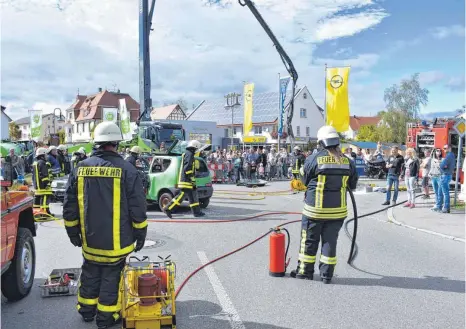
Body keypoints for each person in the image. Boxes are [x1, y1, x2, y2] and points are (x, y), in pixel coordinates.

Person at [62, 122, 147, 329]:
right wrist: (141, 232)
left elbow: (69, 204)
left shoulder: (80, 168)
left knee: (90, 271)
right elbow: (137, 206)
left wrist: (72, 231)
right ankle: (106, 317)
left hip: (90, 240)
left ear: (97, 142)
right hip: (117, 242)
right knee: (111, 276)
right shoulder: (127, 170)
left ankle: (86, 310)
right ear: (116, 142)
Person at [290, 125, 358, 284]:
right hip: (337, 212)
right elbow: (352, 185)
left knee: (309, 241)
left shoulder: (314, 159)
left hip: (315, 211)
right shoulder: (348, 161)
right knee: (330, 242)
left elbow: (304, 181)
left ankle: (304, 272)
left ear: (321, 142)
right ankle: (326, 275)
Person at [163, 140, 205, 218]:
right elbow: (187, 168)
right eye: (197, 149)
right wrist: (192, 179)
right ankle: (168, 208)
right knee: (181, 196)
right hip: (186, 181)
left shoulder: (189, 153)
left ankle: (197, 212)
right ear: (194, 147)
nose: (197, 150)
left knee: (193, 196)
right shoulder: (189, 154)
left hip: (188, 180)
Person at [32, 147, 54, 214]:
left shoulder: (35, 163)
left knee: (37, 200)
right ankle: (45, 213)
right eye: (45, 155)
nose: (46, 156)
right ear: (42, 155)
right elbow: (44, 175)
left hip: (37, 186)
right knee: (44, 199)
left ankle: (37, 213)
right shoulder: (42, 163)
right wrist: (47, 184)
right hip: (42, 186)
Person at [438, 144, 456, 213]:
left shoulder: (449, 156)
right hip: (446, 175)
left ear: (449, 148)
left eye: (445, 148)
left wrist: (442, 165)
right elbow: (444, 165)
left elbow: (442, 165)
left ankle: (446, 207)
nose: (444, 150)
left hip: (445, 175)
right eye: (444, 148)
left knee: (445, 192)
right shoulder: (452, 155)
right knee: (440, 191)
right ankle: (439, 206)